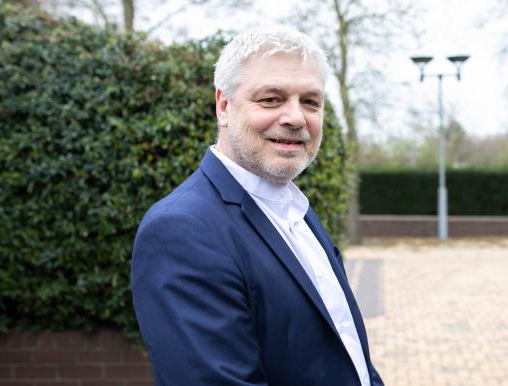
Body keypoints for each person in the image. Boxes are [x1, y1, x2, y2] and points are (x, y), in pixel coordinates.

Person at [131, 26, 383, 386]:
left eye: (310, 101)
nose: (296, 118)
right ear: (224, 106)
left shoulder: (295, 209)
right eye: (271, 99)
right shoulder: (182, 230)